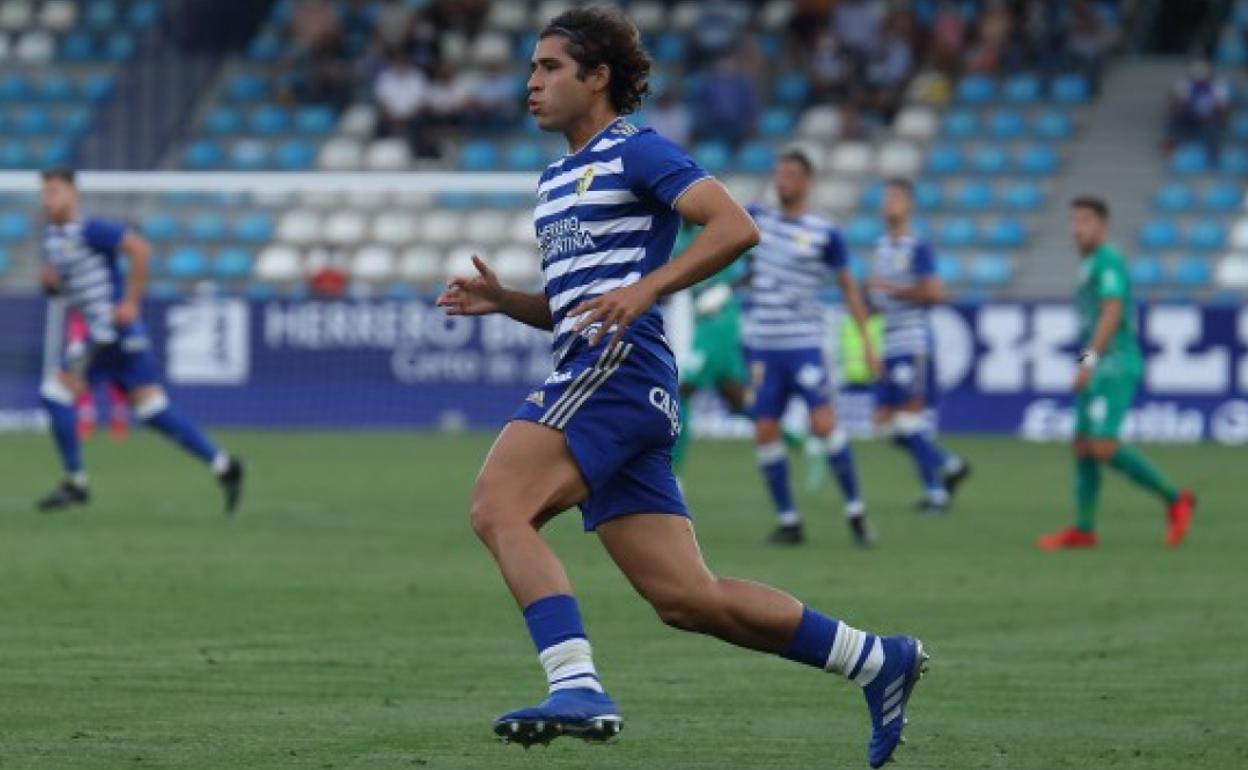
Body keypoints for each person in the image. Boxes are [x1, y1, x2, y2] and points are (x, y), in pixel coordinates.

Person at [435, 9, 926, 768]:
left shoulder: (637, 150)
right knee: (687, 599)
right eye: (531, 69)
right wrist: (508, 302)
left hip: (615, 370)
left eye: (549, 68)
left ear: (598, 78)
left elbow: (733, 226)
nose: (530, 83)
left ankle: (576, 684)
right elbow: (578, 306)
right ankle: (874, 659)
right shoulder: (556, 176)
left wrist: (648, 289)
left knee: (497, 505)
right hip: (611, 370)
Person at [35, 168, 244, 513]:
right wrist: (51, 285)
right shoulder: (52, 239)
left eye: (55, 191)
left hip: (108, 332)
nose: (49, 199)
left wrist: (131, 301)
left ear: (73, 194)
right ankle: (224, 465)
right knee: (151, 408)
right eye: (45, 193)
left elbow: (139, 248)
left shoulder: (91, 229)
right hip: (115, 335)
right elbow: (64, 289)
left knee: (55, 393)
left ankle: (76, 482)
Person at [1037, 197, 1195, 550]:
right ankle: (1084, 528)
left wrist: (1088, 360)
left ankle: (1175, 498)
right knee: (1082, 444)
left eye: (1086, 220)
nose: (1078, 227)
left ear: (1103, 225)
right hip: (1098, 362)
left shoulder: (1108, 260)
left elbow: (1112, 310)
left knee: (1103, 446)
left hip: (1115, 363)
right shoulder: (1089, 263)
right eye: (1074, 220)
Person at [742, 149, 878, 547]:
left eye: (790, 174)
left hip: (803, 344)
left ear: (806, 182)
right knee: (765, 431)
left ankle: (855, 510)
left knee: (823, 425)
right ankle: (789, 520)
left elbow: (848, 286)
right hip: (763, 346)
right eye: (778, 173)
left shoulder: (825, 232)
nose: (781, 180)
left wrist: (867, 341)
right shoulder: (756, 218)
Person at [867, 178, 969, 513]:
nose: (889, 202)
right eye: (887, 196)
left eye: (896, 197)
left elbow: (935, 293)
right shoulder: (881, 246)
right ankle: (950, 466)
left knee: (907, 422)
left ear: (909, 205)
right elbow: (879, 297)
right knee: (888, 426)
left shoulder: (917, 247)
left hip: (913, 342)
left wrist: (892, 290)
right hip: (890, 340)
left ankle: (937, 492)